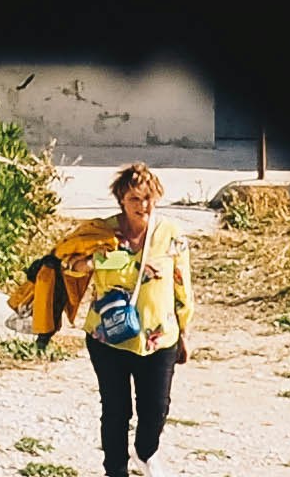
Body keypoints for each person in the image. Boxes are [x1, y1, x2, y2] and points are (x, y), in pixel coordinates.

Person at [76, 163, 193, 477]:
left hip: (159, 337)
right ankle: (115, 470)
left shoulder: (171, 233)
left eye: (148, 198)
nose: (143, 205)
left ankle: (145, 452)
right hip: (107, 336)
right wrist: (96, 261)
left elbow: (182, 284)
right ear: (121, 200)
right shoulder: (102, 232)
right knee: (115, 410)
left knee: (156, 408)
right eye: (135, 199)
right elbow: (72, 266)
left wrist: (185, 330)